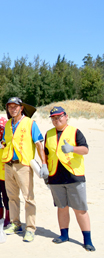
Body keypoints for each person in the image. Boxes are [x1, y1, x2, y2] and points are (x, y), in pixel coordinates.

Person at [44, 107, 95, 252]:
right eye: (53, 117)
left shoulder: (75, 131)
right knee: (62, 207)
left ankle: (87, 240)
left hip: (74, 176)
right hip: (55, 176)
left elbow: (85, 149)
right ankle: (64, 235)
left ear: (66, 116)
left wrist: (72, 149)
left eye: (59, 116)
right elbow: (46, 153)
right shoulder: (49, 134)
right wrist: (44, 168)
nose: (56, 119)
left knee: (80, 209)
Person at [0, 97, 47, 242]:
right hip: (8, 164)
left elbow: (39, 144)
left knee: (28, 198)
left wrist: (44, 163)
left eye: (15, 106)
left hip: (23, 165)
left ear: (21, 108)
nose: (12, 109)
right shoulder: (7, 124)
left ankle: (30, 228)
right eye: (10, 107)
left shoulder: (30, 123)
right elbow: (5, 141)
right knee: (12, 197)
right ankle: (15, 223)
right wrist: (0, 145)